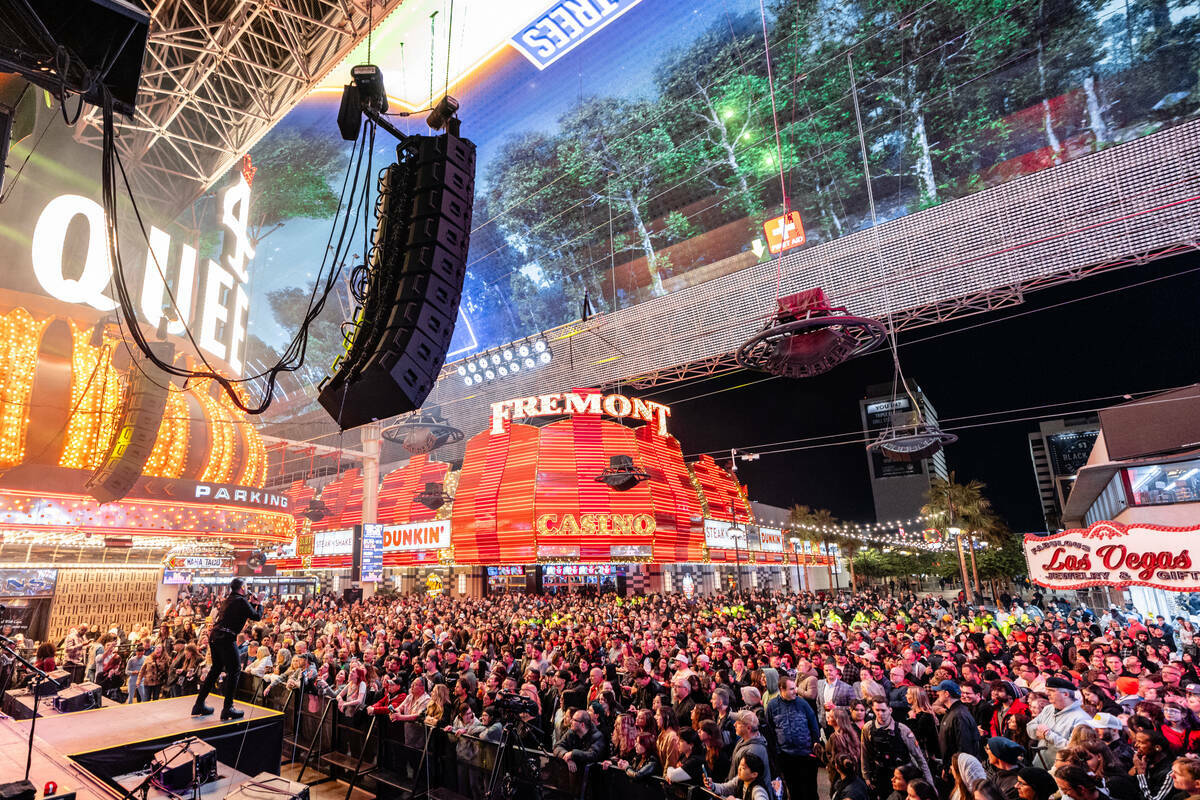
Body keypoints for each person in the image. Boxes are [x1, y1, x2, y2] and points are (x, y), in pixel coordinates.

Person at [191, 578, 262, 719]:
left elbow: (243, 612)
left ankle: (199, 704)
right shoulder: (241, 601)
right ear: (242, 587)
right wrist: (259, 603)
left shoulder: (229, 599)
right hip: (226, 637)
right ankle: (228, 708)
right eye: (246, 586)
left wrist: (252, 603)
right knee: (234, 670)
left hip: (215, 636)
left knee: (216, 669)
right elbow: (256, 616)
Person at [766, 675, 822, 800]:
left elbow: (813, 723)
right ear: (782, 689)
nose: (795, 691)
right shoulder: (772, 705)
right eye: (791, 689)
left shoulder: (802, 703)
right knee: (794, 789)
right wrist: (777, 752)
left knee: (810, 790)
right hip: (786, 756)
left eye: (795, 688)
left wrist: (815, 742)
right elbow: (771, 731)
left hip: (806, 754)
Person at [1026, 677, 1092, 768]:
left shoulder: (1081, 718)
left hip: (1061, 771)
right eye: (1047, 690)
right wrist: (1038, 729)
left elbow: (1075, 749)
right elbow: (1030, 726)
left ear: (1065, 694)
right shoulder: (1048, 709)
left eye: (1051, 690)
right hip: (1039, 764)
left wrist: (1048, 735)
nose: (1047, 693)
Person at [706, 752, 776, 800]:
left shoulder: (758, 789)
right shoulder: (740, 779)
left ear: (754, 774)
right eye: (740, 764)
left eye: (743, 768)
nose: (739, 768)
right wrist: (712, 785)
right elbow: (725, 788)